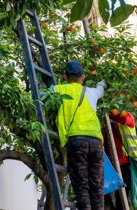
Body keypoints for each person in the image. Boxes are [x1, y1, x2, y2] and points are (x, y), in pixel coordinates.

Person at [55, 60, 107, 210]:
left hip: (77, 141)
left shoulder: (60, 89)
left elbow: (43, 94)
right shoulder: (91, 92)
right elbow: (101, 89)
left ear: (65, 76)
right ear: (83, 77)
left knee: (81, 186)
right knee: (97, 187)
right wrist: (103, 83)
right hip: (96, 142)